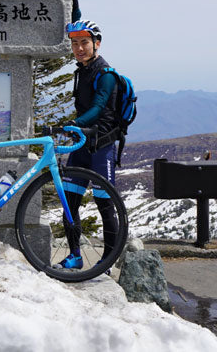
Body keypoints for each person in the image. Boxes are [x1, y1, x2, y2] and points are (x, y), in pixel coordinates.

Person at [54, 19, 121, 269]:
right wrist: (75, 1)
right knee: (70, 204)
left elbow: (98, 106)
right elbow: (75, 23)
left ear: (97, 44)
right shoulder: (83, 69)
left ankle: (108, 260)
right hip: (81, 145)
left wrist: (73, 123)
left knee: (105, 206)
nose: (79, 48)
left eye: (84, 43)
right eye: (75, 43)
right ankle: (75, 256)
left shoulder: (106, 75)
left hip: (101, 147)